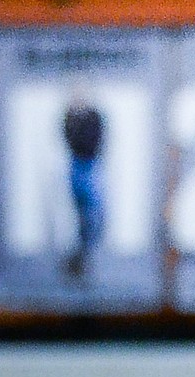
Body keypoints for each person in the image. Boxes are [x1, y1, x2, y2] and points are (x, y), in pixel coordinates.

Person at [61, 87, 105, 277]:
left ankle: (86, 254)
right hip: (78, 165)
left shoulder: (93, 116)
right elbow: (71, 139)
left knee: (93, 213)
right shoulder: (71, 117)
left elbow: (95, 139)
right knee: (80, 211)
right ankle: (79, 257)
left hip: (90, 165)